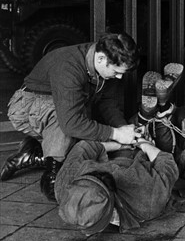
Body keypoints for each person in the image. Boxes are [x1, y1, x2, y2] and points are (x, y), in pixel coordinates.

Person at [1, 32, 140, 201]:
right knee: (71, 120)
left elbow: (108, 102)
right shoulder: (68, 65)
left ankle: (34, 155)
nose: (119, 77)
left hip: (54, 107)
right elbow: (71, 123)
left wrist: (124, 129)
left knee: (83, 124)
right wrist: (116, 135)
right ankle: (52, 177)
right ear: (102, 59)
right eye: (117, 71)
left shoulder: (105, 60)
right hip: (26, 107)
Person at [55, 134, 179, 235]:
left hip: (134, 159)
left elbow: (167, 164)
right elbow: (85, 146)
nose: (86, 234)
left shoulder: (146, 201)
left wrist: (144, 144)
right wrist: (122, 144)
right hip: (116, 153)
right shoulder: (63, 185)